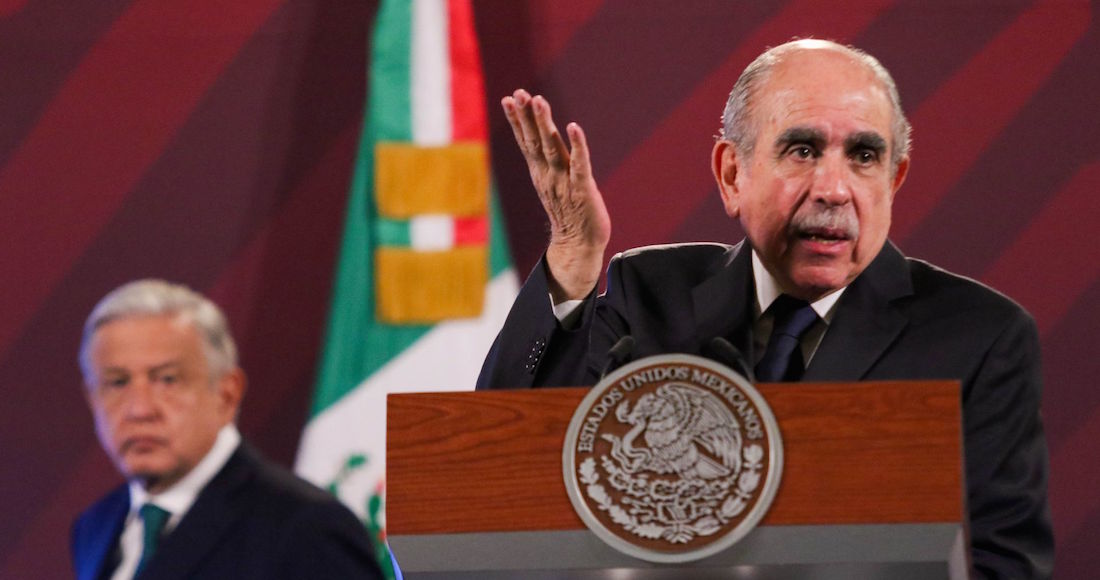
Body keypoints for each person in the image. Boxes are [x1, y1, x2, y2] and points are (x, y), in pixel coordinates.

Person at [477, 39, 1053, 578]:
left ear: (894, 179)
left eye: (863, 156)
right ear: (732, 174)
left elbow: (1003, 563)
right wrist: (573, 254)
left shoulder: (980, 338)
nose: (834, 189)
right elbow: (502, 473)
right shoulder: (650, 295)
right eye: (803, 150)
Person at [71, 280, 384, 579]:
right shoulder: (95, 526)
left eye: (167, 379)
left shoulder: (306, 528)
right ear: (92, 398)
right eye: (117, 382)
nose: (140, 410)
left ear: (227, 394)